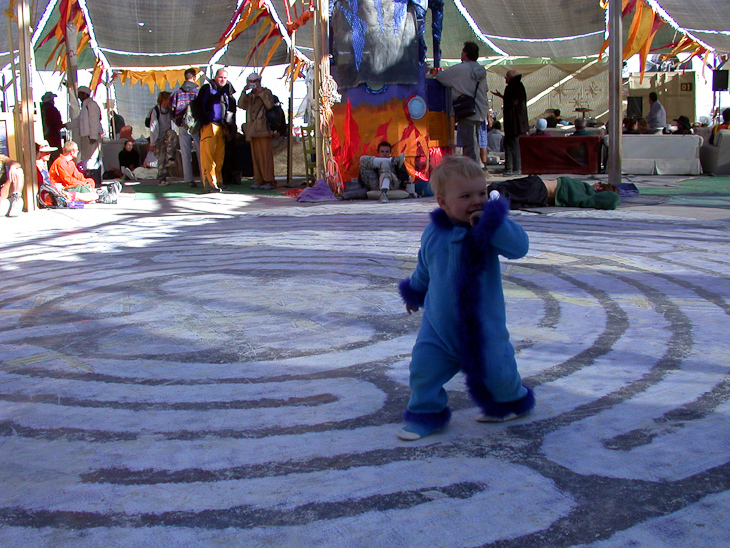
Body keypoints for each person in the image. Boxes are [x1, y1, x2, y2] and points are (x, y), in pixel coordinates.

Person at [396, 156, 535, 440]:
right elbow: (425, 267)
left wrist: (494, 224)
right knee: (423, 369)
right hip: (439, 327)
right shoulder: (433, 233)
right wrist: (416, 291)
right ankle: (427, 414)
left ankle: (511, 401)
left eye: (482, 193)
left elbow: (519, 247)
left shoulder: (488, 230)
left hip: (485, 328)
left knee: (498, 371)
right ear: (443, 203)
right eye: (466, 196)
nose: (477, 201)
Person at [435, 41, 488, 163]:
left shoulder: (460, 69)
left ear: (465, 54)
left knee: (468, 144)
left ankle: (472, 171)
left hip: (466, 110)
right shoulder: (481, 70)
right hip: (480, 110)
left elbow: (441, 77)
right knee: (475, 142)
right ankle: (476, 166)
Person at [198, 68, 236, 193]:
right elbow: (200, 105)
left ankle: (218, 182)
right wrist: (204, 121)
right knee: (208, 156)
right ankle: (209, 183)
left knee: (219, 157)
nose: (223, 80)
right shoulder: (207, 88)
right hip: (209, 126)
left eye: (225, 78)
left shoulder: (225, 92)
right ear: (215, 77)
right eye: (220, 77)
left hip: (221, 126)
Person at [487, 174, 620, 210]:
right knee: (506, 198)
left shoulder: (588, 192)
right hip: (540, 197)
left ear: (600, 188)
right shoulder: (586, 197)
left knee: (499, 188)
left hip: (538, 187)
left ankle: (493, 194)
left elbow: (613, 199)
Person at [237, 72, 277, 190]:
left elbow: (269, 105)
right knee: (256, 158)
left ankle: (269, 180)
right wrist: (244, 92)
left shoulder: (266, 92)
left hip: (263, 129)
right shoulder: (249, 96)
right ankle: (258, 180)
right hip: (252, 131)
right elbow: (240, 105)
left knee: (266, 157)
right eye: (251, 82)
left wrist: (260, 92)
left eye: (255, 81)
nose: (253, 84)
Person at [49, 141, 120, 204]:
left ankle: (105, 193)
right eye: (76, 150)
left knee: (88, 184)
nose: (78, 151)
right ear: (72, 152)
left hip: (69, 184)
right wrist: (82, 183)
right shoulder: (61, 162)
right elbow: (67, 180)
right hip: (62, 187)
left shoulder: (71, 162)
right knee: (82, 188)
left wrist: (88, 181)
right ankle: (105, 194)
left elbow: (78, 176)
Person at [492, 69, 528, 177]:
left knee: (513, 145)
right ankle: (509, 167)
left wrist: (505, 98)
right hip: (514, 122)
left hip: (513, 122)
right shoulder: (518, 86)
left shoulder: (513, 87)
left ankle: (516, 168)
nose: (505, 79)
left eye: (506, 76)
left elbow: (513, 101)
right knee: (509, 144)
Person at [66, 85, 104, 186]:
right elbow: (79, 121)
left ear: (84, 94)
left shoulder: (91, 105)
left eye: (80, 94)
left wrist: (93, 137)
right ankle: (91, 182)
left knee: (92, 161)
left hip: (91, 137)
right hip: (86, 137)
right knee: (86, 160)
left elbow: (94, 121)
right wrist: (67, 125)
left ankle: (95, 182)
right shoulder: (85, 106)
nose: (78, 97)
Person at [170, 68, 201, 187]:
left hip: (182, 125)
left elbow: (172, 110)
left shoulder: (177, 93)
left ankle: (189, 179)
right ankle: (204, 177)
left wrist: (178, 121)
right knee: (200, 152)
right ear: (194, 77)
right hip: (196, 126)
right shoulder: (197, 92)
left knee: (185, 153)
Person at [148, 91, 178, 185]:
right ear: (164, 100)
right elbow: (153, 127)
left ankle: (170, 158)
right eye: (169, 99)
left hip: (167, 136)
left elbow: (176, 121)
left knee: (172, 133)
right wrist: (152, 143)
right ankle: (162, 179)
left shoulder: (170, 111)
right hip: (158, 138)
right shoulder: (155, 111)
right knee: (161, 158)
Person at [40, 91, 63, 160]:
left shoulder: (40, 110)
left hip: (43, 138)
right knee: (56, 158)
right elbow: (58, 124)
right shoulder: (52, 110)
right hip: (53, 138)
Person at [0, 153, 25, 217]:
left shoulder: (1, 158)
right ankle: (5, 204)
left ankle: (16, 198)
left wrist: (13, 166)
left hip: (4, 189)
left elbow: (16, 164)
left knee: (18, 171)